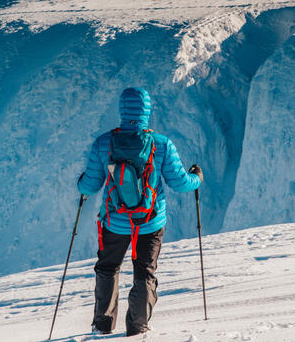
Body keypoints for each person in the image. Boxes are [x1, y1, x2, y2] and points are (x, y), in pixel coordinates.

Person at [77, 87, 203, 337]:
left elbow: (89, 185)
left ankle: (102, 325)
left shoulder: (104, 143)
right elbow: (179, 183)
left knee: (107, 268)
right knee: (144, 272)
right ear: (147, 111)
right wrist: (196, 177)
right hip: (149, 222)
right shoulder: (161, 144)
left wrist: (81, 182)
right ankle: (137, 328)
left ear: (122, 110)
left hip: (113, 222)